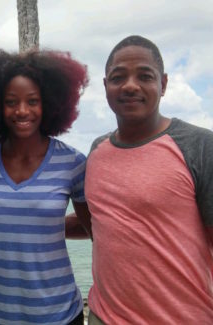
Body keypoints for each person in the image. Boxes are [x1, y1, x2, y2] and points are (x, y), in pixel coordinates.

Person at [84, 35, 213, 324]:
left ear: (163, 84)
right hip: (104, 317)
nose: (130, 85)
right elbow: (103, 221)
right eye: (118, 77)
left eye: (145, 76)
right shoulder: (96, 151)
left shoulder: (200, 146)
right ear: (106, 87)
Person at [0, 49, 91, 325]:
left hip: (60, 315)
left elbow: (96, 231)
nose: (22, 111)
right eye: (11, 102)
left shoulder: (73, 163)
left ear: (51, 104)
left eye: (33, 101)